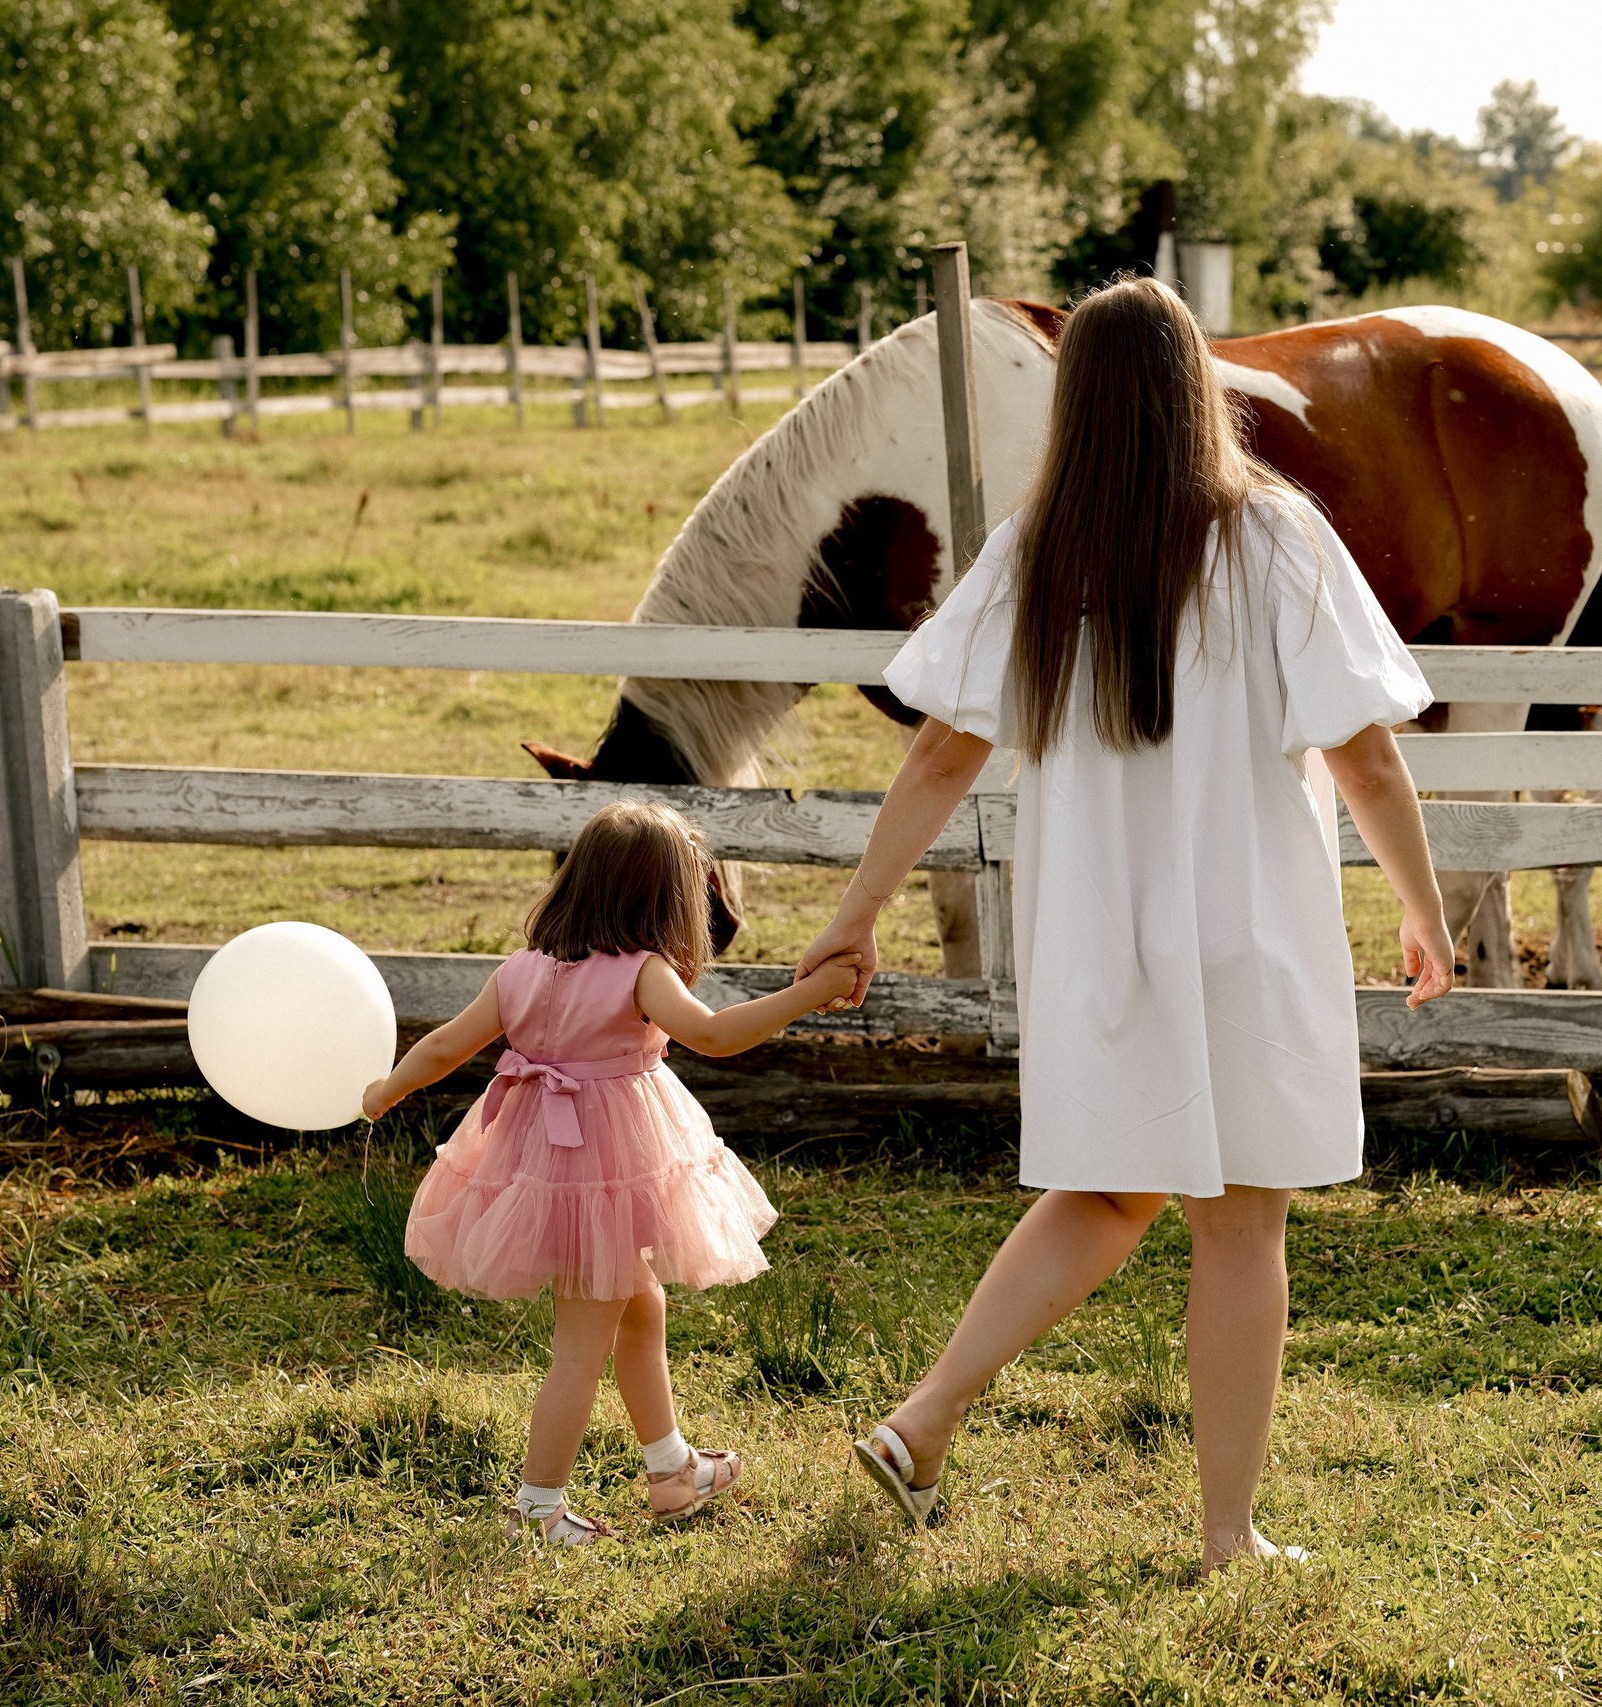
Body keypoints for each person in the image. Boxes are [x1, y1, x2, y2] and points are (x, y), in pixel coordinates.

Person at [795, 276, 1455, 1572]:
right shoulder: (1275, 536)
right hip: (1245, 928)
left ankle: (925, 1417)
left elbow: (938, 755)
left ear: (1077, 402)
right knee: (1240, 1221)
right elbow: (1367, 756)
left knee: (1106, 1192)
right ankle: (1226, 1533)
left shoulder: (1037, 551)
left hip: (1096, 937)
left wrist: (856, 911)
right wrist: (1423, 907)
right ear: (1197, 386)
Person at [362, 801, 857, 1545]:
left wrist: (385, 1090)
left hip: (548, 1165)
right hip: (606, 1171)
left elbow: (442, 1048)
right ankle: (537, 1509)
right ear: (665, 900)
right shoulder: (642, 971)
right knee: (580, 1346)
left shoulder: (522, 971)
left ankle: (671, 1470)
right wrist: (813, 993)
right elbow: (717, 1035)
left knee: (641, 1308)